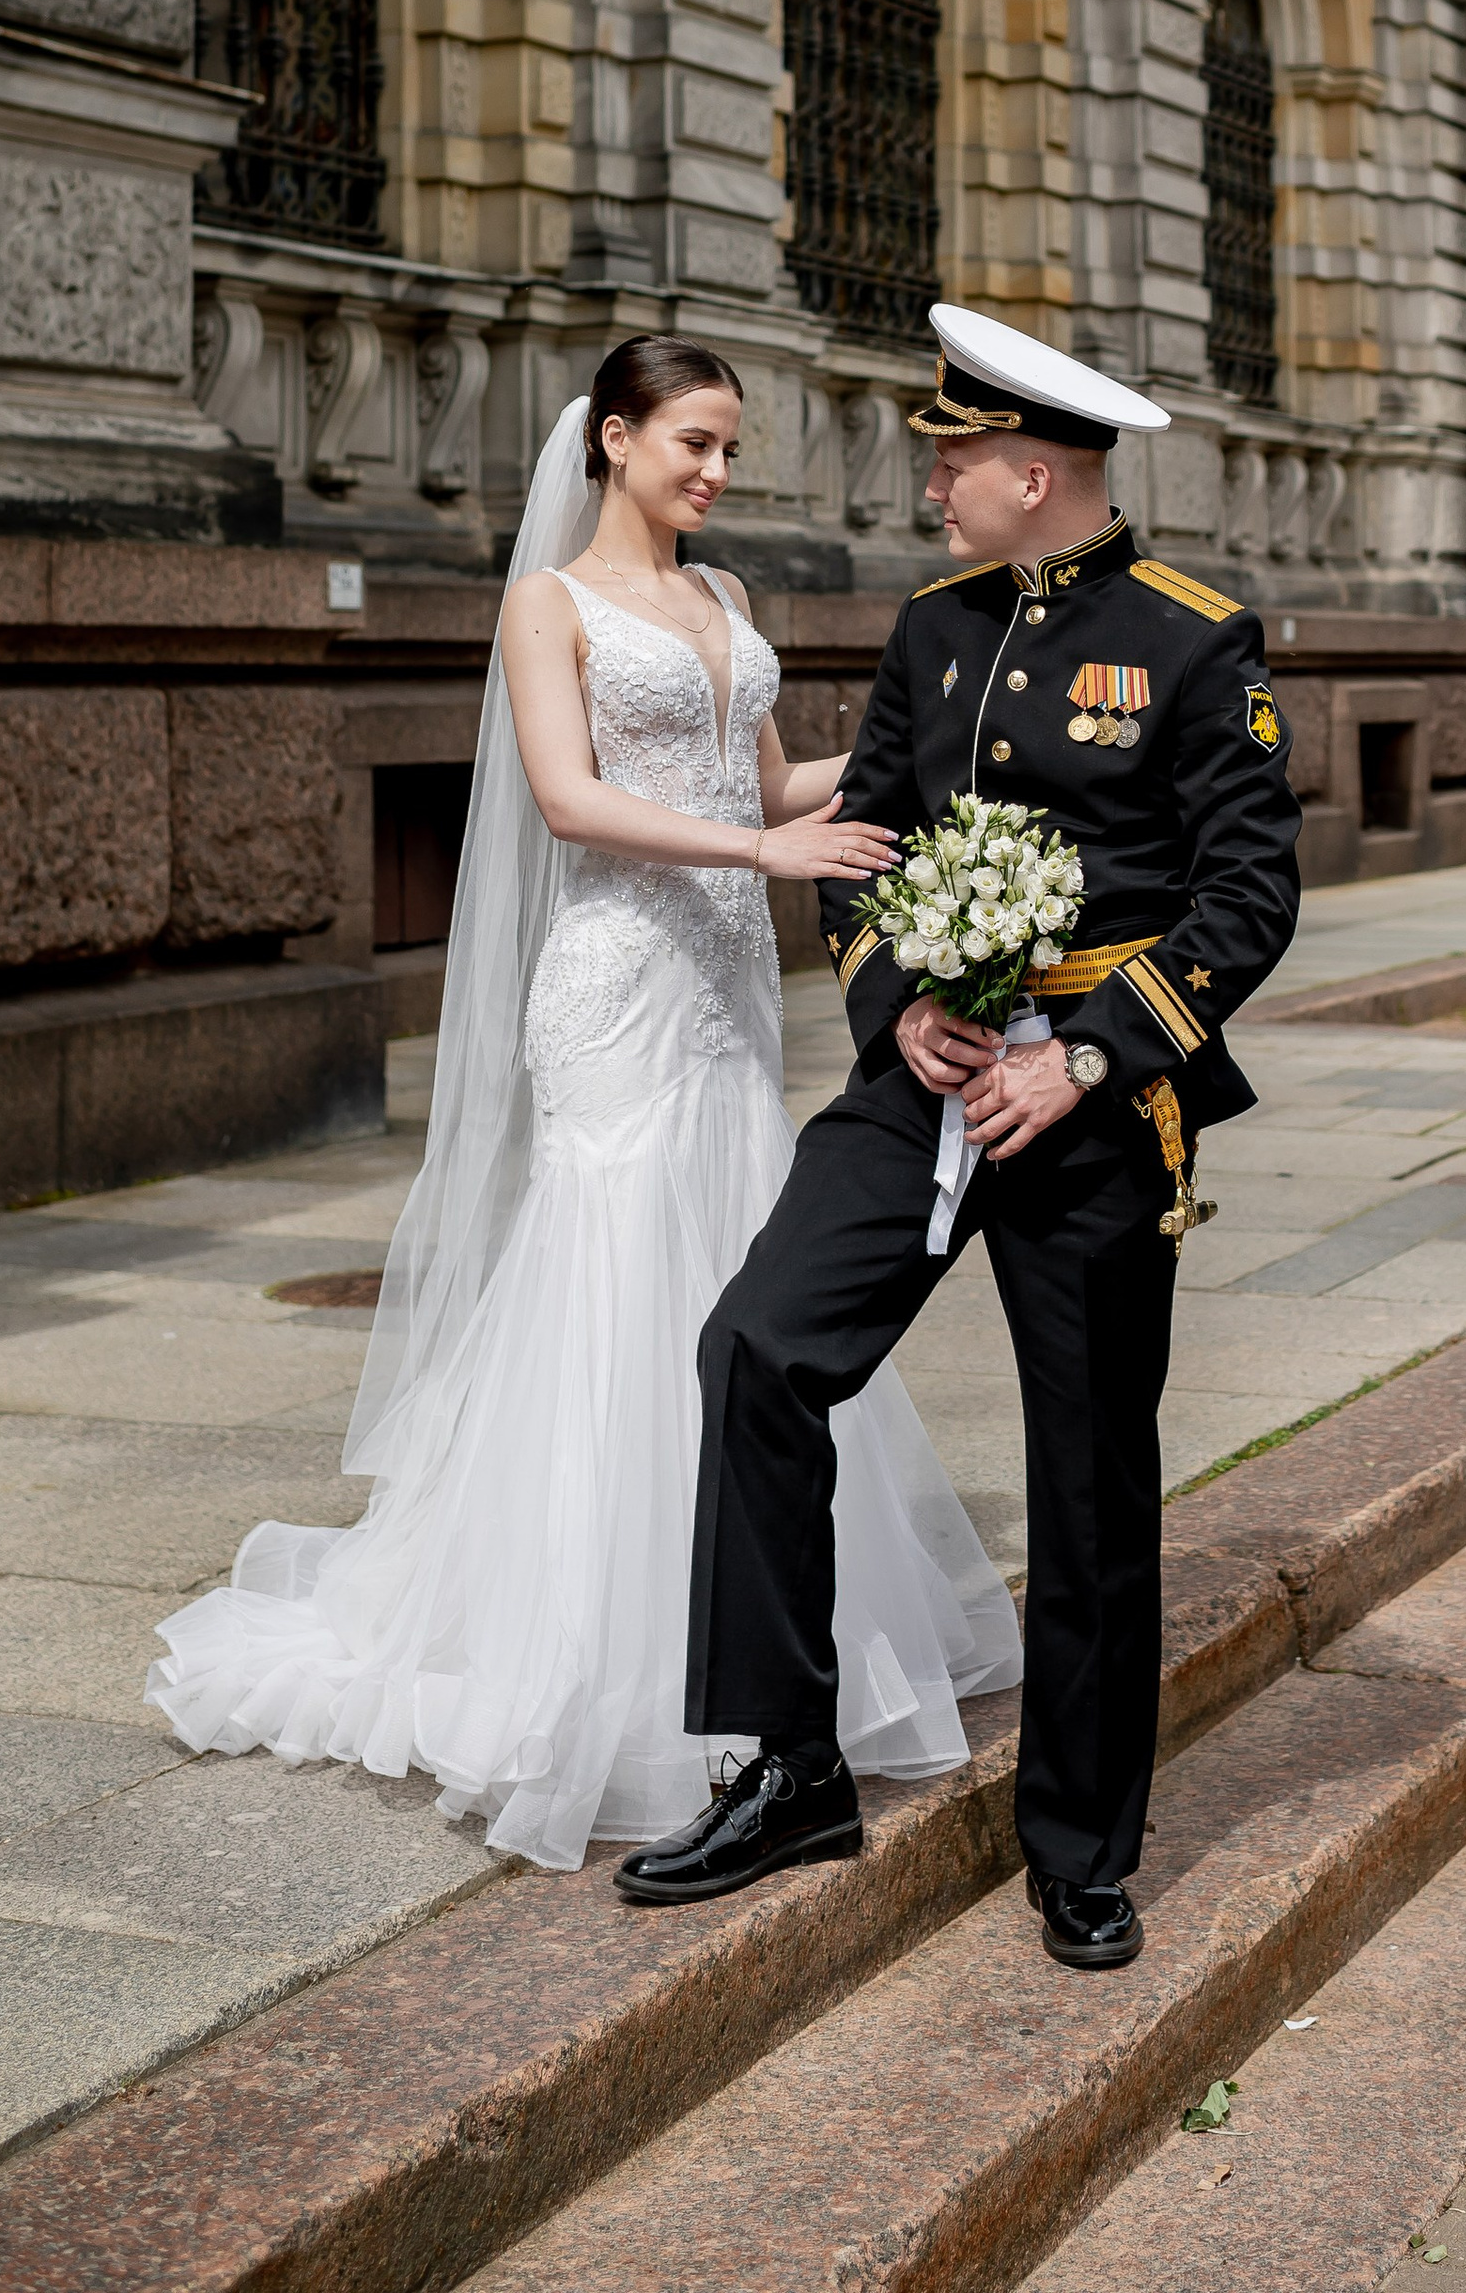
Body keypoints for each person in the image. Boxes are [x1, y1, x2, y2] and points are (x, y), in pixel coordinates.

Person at [146, 336, 1019, 1872]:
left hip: (729, 991)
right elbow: (568, 798)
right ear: (613, 439)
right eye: (693, 441)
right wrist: (762, 858)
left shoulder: (726, 601)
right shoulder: (545, 604)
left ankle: (764, 1629)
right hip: (616, 984)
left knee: (741, 1280)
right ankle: (598, 1659)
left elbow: (759, 785)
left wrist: (908, 763)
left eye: (732, 450)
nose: (716, 473)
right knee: (617, 1280)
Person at [614, 308, 1304, 1971]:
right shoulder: (932, 632)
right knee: (759, 1350)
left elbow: (1248, 898)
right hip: (921, 1081)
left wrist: (1086, 1055)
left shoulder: (1196, 638)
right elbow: (865, 845)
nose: (929, 479)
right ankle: (789, 1765)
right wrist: (898, 1006)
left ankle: (1079, 1844)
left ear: (1036, 470)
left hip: (1090, 1108)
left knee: (1087, 1478)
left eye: (954, 456)